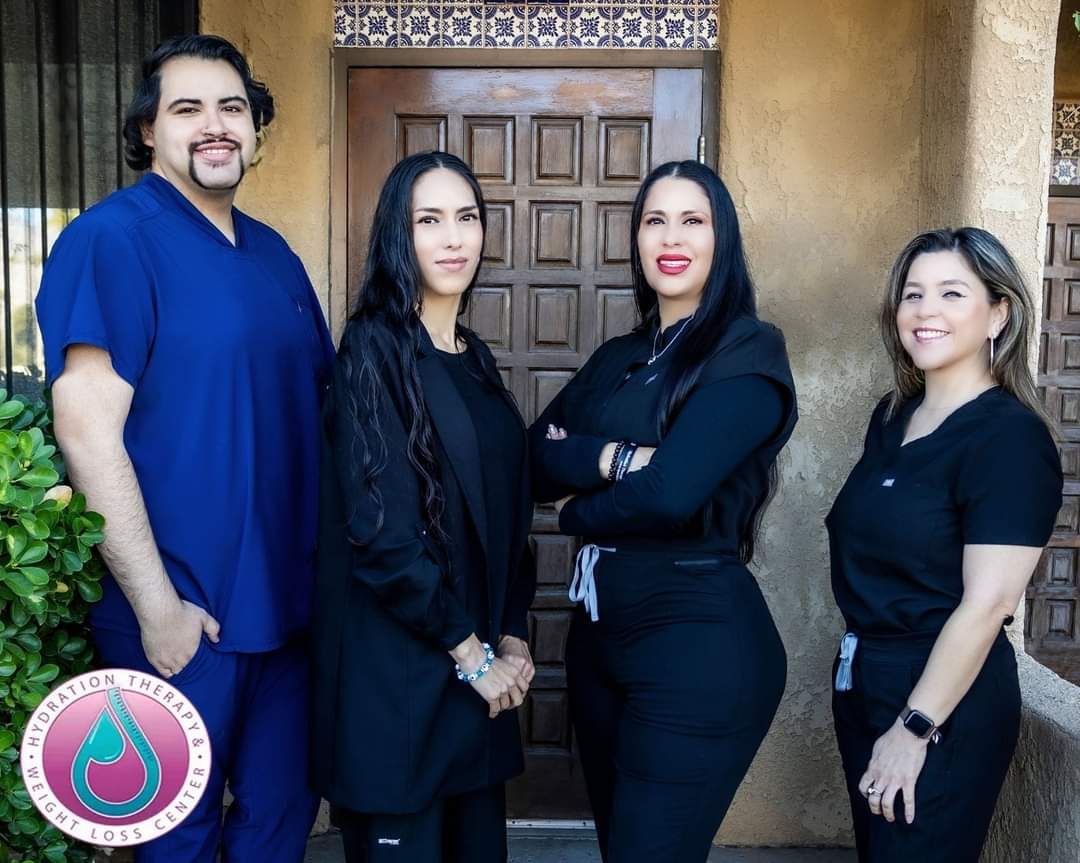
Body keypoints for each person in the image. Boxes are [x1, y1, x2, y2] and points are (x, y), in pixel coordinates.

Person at [36, 34, 332, 862]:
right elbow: (86, 426)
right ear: (146, 131)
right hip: (179, 621)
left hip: (285, 617)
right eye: (187, 108)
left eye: (232, 108)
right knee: (175, 838)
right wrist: (157, 605)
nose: (215, 126)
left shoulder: (273, 256)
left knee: (279, 827)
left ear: (256, 129)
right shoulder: (115, 239)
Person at [529, 160, 798, 862]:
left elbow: (674, 493)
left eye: (693, 219)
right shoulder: (617, 357)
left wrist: (578, 508)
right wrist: (622, 460)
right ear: (637, 238)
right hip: (598, 642)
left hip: (696, 642)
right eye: (655, 219)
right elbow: (531, 461)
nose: (671, 237)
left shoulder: (746, 350)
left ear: (722, 238)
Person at [310, 151, 537, 863]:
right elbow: (381, 533)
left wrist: (513, 634)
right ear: (397, 237)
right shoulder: (373, 349)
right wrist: (473, 655)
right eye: (428, 220)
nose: (453, 238)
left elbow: (504, 520)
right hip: (400, 689)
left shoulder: (472, 354)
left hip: (475, 693)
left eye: (466, 218)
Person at [827, 228, 1063, 861]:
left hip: (941, 701)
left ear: (999, 313)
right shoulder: (893, 417)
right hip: (865, 679)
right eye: (913, 294)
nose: (925, 311)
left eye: (952, 293)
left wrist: (914, 728)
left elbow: (987, 604)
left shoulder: (1009, 440)